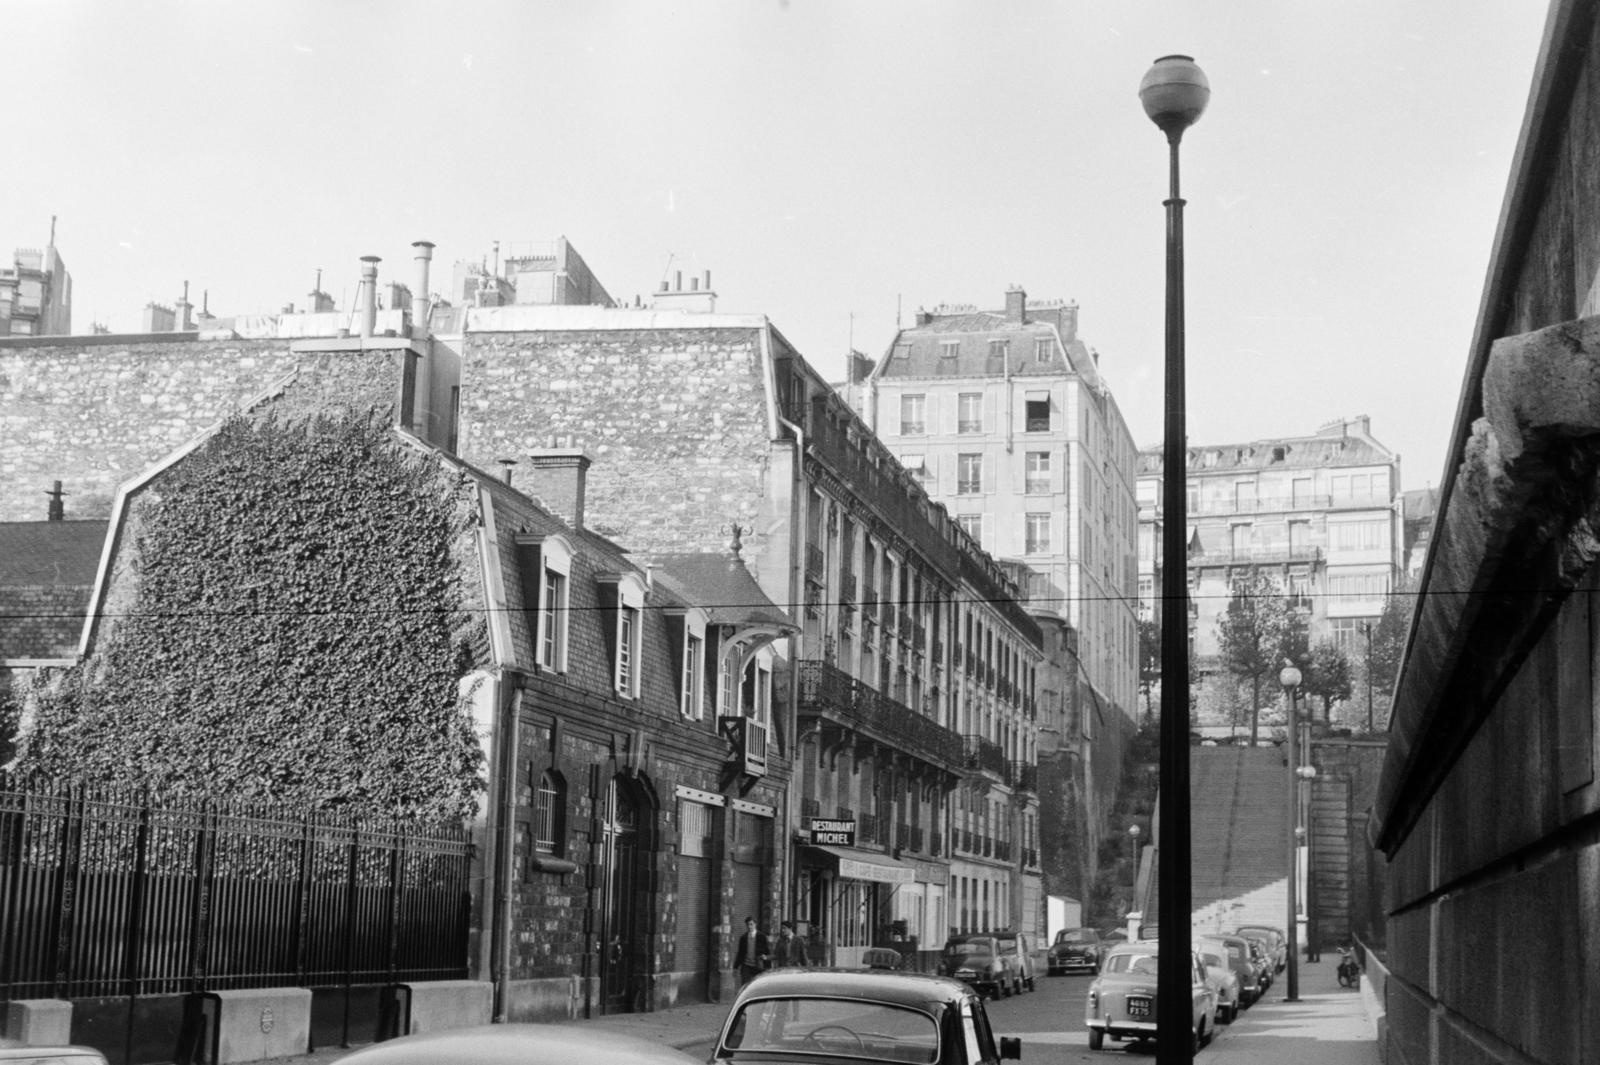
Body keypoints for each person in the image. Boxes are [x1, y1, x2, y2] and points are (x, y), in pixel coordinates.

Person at [734, 915, 771, 985]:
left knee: (757, 985)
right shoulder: (743, 938)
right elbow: (740, 953)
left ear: (755, 924)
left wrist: (768, 967)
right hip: (746, 965)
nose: (749, 926)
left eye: (751, 924)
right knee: (745, 985)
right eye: (748, 924)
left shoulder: (762, 937)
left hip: (758, 965)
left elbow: (766, 951)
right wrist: (735, 967)